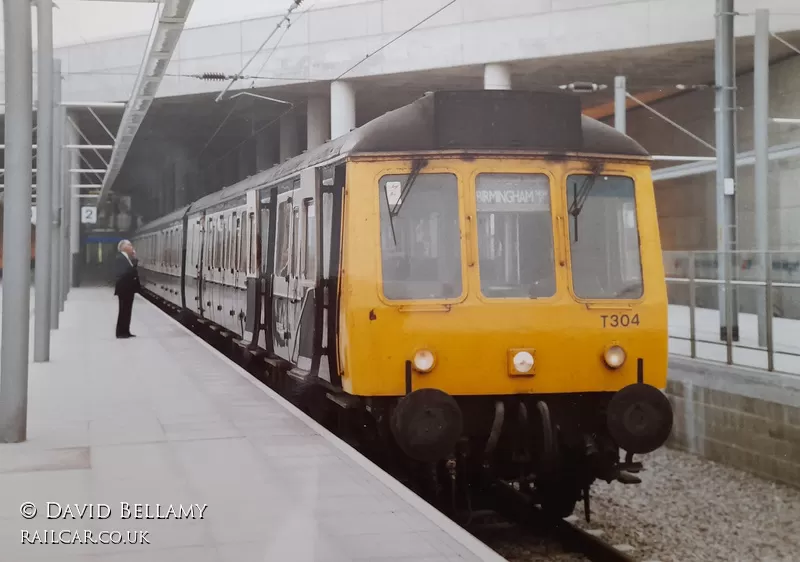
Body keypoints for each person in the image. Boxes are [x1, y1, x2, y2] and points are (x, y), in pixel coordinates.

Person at [114, 239, 140, 339]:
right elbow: (125, 272)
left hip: (127, 289)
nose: (131, 247)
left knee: (127, 311)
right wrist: (134, 261)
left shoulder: (126, 258)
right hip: (124, 289)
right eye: (129, 245)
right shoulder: (120, 258)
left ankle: (126, 331)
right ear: (123, 247)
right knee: (123, 311)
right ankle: (121, 332)